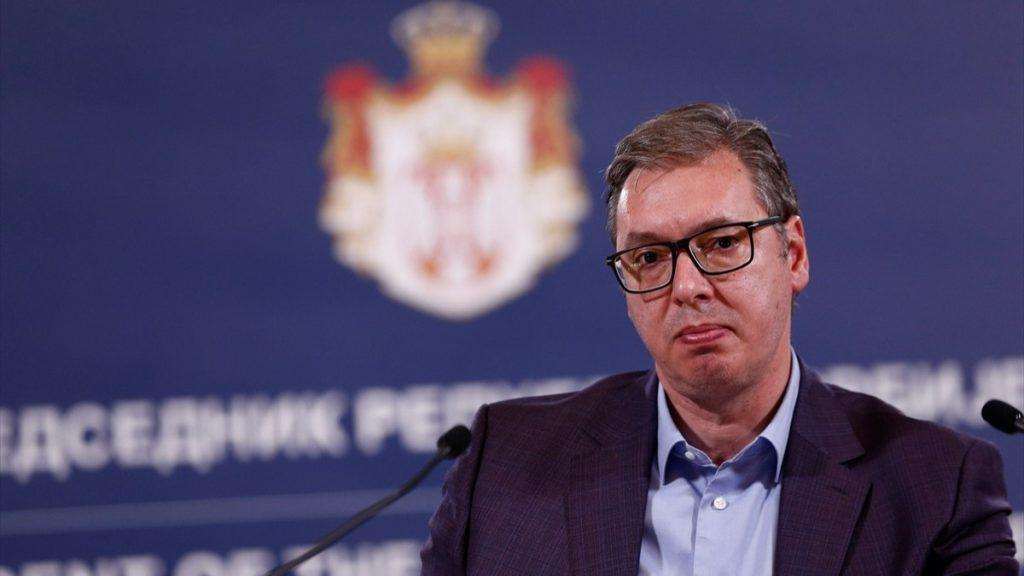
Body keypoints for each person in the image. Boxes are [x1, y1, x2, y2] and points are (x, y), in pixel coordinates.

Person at [419, 103, 1019, 575]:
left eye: (723, 243)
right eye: (649, 257)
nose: (687, 287)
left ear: (794, 255)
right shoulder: (506, 466)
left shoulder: (934, 485)